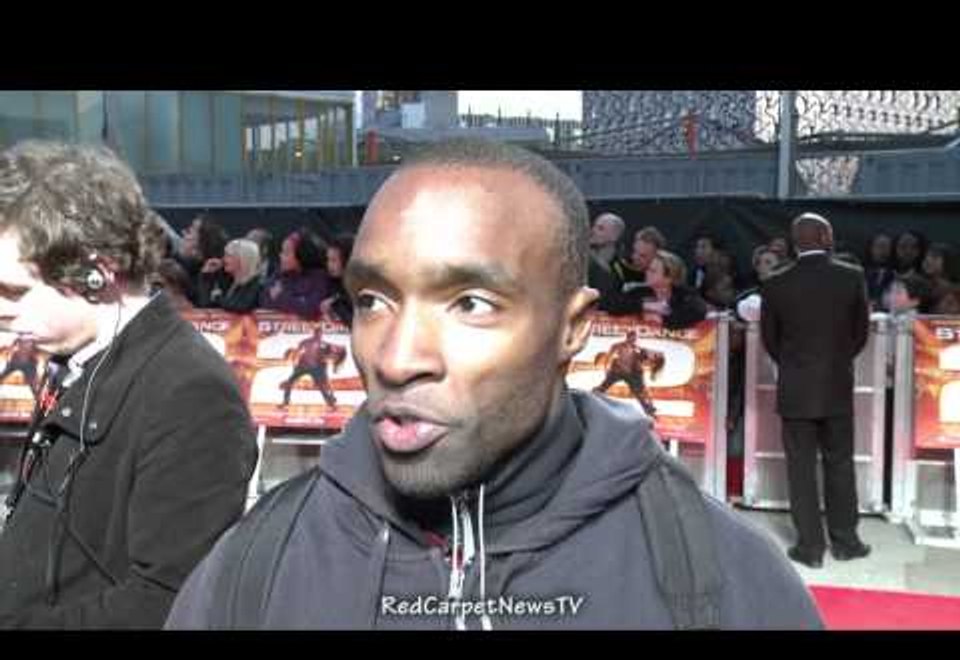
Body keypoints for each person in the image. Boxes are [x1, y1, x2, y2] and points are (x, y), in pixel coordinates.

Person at [166, 138, 821, 630]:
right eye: (372, 300)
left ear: (572, 330)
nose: (396, 359)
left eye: (471, 303)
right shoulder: (254, 566)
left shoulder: (719, 582)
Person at [0, 141, 258, 628]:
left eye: (13, 291)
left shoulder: (192, 395)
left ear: (98, 276)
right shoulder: (76, 357)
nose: (2, 308)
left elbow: (166, 601)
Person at [760, 212, 871, 570]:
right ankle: (847, 543)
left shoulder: (776, 282)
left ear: (795, 242)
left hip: (796, 388)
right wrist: (836, 361)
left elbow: (770, 340)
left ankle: (810, 548)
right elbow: (860, 334)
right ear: (826, 236)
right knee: (840, 464)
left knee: (801, 469)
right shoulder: (851, 277)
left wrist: (795, 366)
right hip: (836, 385)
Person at [259, 229, 332, 319]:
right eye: (282, 251)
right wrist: (297, 301)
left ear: (301, 256)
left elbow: (311, 309)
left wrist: (281, 297)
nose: (280, 256)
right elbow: (264, 300)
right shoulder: (279, 274)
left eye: (286, 253)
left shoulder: (320, 278)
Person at [592, 330, 661, 418]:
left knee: (638, 393)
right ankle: (591, 398)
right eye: (632, 339)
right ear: (627, 337)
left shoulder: (637, 349)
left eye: (635, 339)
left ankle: (649, 411)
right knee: (602, 387)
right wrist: (606, 369)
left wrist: (649, 364)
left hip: (629, 374)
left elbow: (645, 360)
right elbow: (608, 357)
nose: (633, 341)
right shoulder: (617, 345)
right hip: (617, 372)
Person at [278, 327, 347, 409]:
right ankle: (286, 402)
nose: (319, 335)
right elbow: (298, 353)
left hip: (314, 368)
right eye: (318, 333)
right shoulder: (306, 342)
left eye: (320, 334)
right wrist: (295, 362)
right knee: (290, 382)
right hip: (303, 367)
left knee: (322, 386)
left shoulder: (323, 344)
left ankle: (331, 404)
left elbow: (336, 351)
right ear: (315, 333)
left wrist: (333, 358)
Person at [636, 250, 708, 330]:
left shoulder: (685, 295)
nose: (647, 273)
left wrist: (662, 319)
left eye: (653, 271)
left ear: (669, 278)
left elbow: (699, 311)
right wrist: (645, 305)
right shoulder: (639, 291)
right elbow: (621, 304)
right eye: (648, 269)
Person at [198, 238, 262, 313]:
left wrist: (218, 298)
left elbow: (241, 307)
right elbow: (205, 304)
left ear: (242, 259)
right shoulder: (228, 281)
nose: (223, 259)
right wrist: (206, 276)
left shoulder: (257, 284)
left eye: (228, 256)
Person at [319, 234, 354, 326]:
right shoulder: (331, 281)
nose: (329, 265)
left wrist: (336, 303)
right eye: (328, 259)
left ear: (347, 259)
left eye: (334, 260)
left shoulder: (365, 284)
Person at [863, 232, 895, 310]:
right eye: (880, 246)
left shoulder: (896, 273)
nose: (883, 251)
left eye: (887, 247)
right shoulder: (860, 272)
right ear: (871, 248)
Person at [920, 243, 954, 308]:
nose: (927, 260)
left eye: (934, 257)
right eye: (925, 257)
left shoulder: (952, 291)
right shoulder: (921, 285)